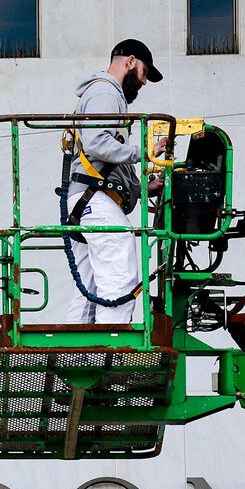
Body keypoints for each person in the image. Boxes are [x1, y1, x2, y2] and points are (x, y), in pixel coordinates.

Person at [61, 39, 160, 324]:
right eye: (144, 72)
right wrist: (145, 152)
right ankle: (110, 350)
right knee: (120, 276)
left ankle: (77, 356)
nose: (143, 82)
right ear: (130, 61)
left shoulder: (101, 94)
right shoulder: (106, 92)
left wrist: (141, 189)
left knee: (89, 289)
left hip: (85, 199)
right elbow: (98, 144)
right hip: (95, 200)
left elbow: (104, 158)